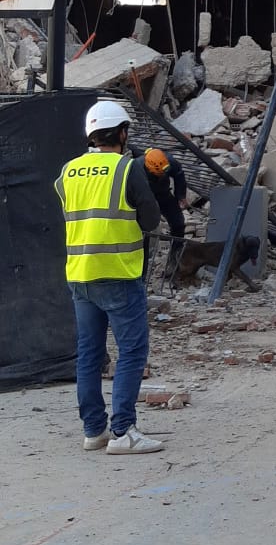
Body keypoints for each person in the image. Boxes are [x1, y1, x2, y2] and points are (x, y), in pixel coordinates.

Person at [55, 100, 165, 455]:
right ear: (121, 133)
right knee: (132, 351)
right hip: (118, 274)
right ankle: (123, 432)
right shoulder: (127, 168)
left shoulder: (68, 171)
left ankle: (94, 431)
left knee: (89, 354)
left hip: (81, 276)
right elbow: (150, 221)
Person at [143, 147, 188, 281]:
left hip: (163, 194)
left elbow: (179, 175)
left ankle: (174, 263)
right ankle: (142, 269)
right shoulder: (138, 167)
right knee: (143, 229)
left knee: (178, 224)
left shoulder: (170, 162)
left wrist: (181, 195)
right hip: (145, 196)